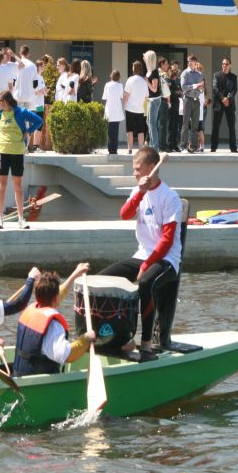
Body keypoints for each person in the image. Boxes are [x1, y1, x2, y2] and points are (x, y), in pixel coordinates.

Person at [98, 147, 181, 358]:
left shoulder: (170, 197)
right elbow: (124, 214)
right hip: (142, 254)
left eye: (137, 169)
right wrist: (141, 193)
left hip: (167, 259)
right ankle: (117, 338)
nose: (134, 173)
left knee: (146, 283)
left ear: (151, 169)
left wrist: (147, 265)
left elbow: (167, 240)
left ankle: (145, 344)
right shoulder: (138, 191)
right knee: (101, 280)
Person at [13, 271, 96, 377]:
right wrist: (86, 339)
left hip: (20, 374)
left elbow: (56, 295)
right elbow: (67, 356)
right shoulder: (53, 326)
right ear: (56, 298)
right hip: (38, 383)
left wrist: (76, 273)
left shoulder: (32, 309)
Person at [0, 90, 44, 230]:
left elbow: (39, 120)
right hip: (2, 151)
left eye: (0, 101)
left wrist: (28, 131)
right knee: (2, 184)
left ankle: (21, 219)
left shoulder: (20, 111)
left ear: (6, 101)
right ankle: (0, 219)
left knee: (18, 185)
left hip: (17, 152)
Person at [211, 57, 238, 153]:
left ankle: (233, 147)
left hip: (229, 104)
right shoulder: (216, 75)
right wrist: (223, 98)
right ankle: (213, 147)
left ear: (230, 65)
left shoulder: (234, 77)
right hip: (219, 103)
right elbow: (215, 89)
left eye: (226, 64)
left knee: (232, 126)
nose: (224, 65)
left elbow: (234, 90)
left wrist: (228, 99)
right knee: (216, 126)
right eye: (223, 64)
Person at [180, 54, 204, 153]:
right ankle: (183, 147)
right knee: (185, 124)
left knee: (195, 125)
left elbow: (201, 88)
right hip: (187, 100)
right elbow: (183, 87)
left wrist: (199, 89)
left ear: (195, 62)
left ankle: (194, 147)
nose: (189, 63)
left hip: (196, 100)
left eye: (190, 61)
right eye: (188, 61)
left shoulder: (199, 74)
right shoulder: (185, 73)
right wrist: (195, 86)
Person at [124, 60, 149, 154]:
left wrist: (124, 105)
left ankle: (129, 149)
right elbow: (147, 96)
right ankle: (141, 149)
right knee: (141, 130)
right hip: (141, 109)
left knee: (129, 129)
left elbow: (126, 94)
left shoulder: (130, 79)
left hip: (130, 108)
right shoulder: (144, 81)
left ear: (134, 69)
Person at [143, 50, 163, 151]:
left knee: (152, 123)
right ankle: (152, 144)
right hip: (150, 100)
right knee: (149, 122)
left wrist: (147, 82)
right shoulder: (150, 71)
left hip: (154, 100)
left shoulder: (154, 72)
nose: (144, 59)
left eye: (145, 58)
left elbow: (154, 89)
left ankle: (155, 147)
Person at [102, 69, 124, 155]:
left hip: (109, 109)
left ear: (111, 76)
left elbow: (105, 97)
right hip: (117, 109)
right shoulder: (120, 85)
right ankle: (114, 149)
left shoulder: (107, 85)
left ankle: (110, 149)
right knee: (115, 131)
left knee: (109, 131)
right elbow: (121, 97)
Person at [166, 62, 183, 152]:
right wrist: (176, 92)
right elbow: (168, 91)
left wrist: (180, 93)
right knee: (170, 125)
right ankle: (169, 144)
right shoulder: (168, 80)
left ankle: (174, 144)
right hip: (171, 105)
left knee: (176, 125)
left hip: (176, 104)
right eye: (173, 70)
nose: (176, 73)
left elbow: (179, 90)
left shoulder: (177, 81)